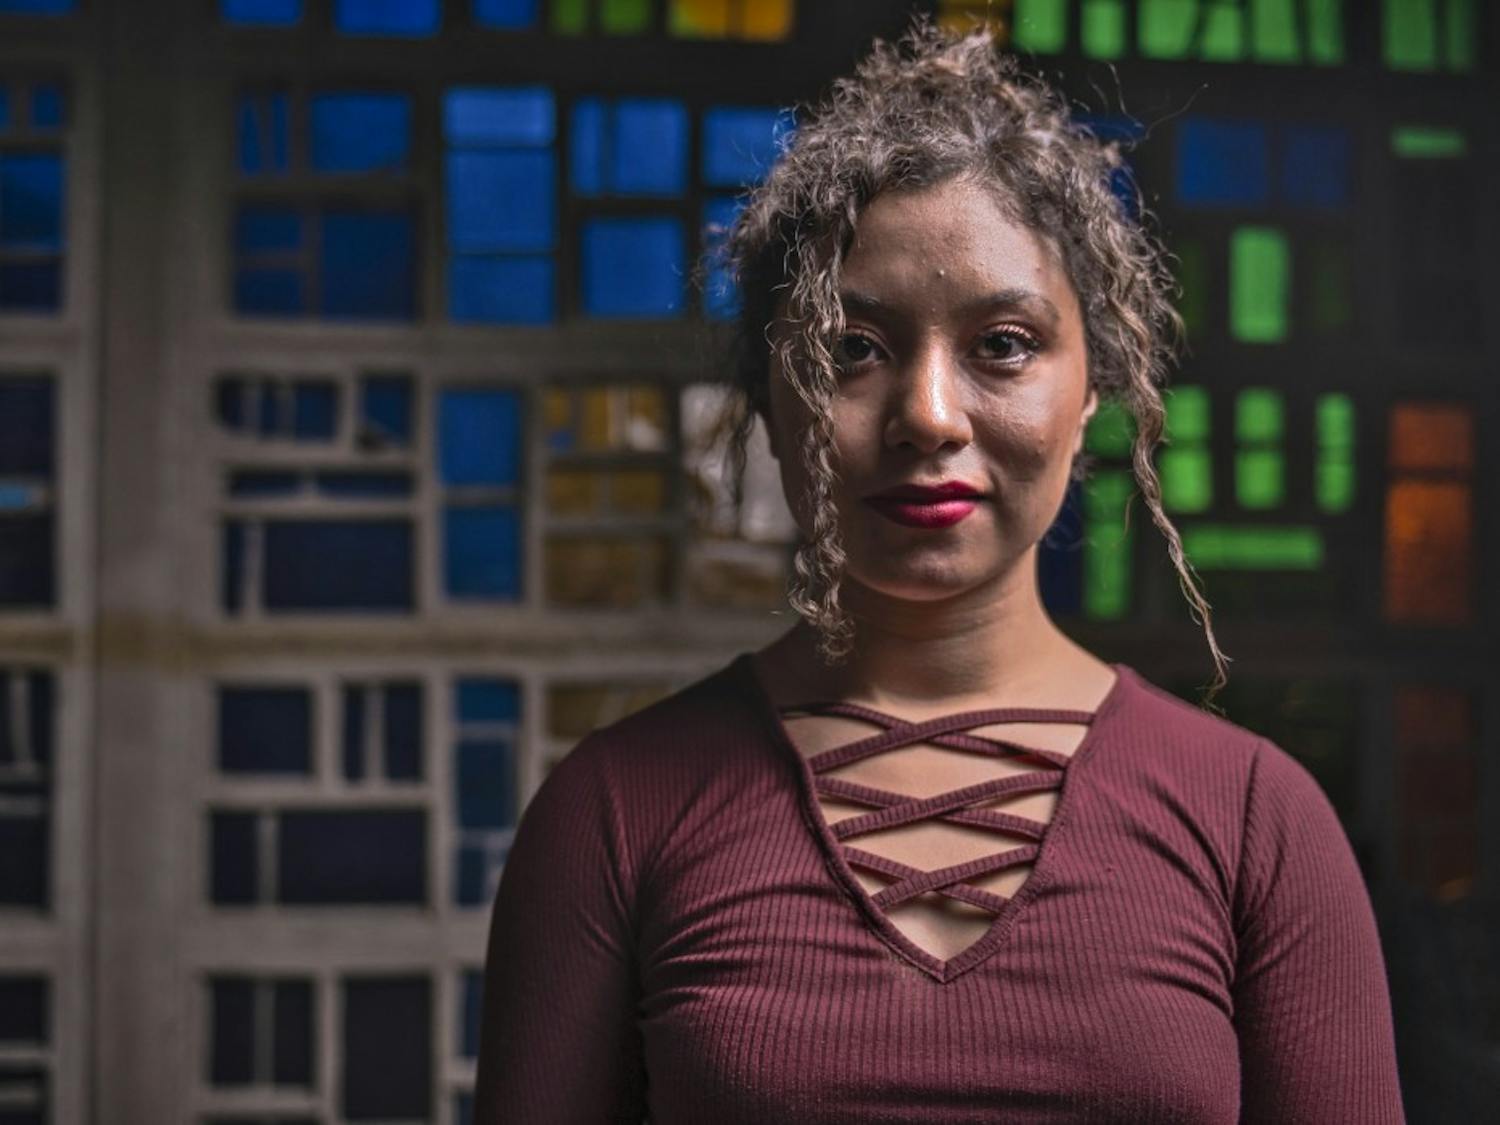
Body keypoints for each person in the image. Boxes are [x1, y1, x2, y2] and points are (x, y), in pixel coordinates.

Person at [475, 19, 1404, 1124]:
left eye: (1003, 344)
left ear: (1091, 389)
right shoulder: (616, 815)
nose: (927, 414)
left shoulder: (1257, 823)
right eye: (850, 350)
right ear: (771, 403)